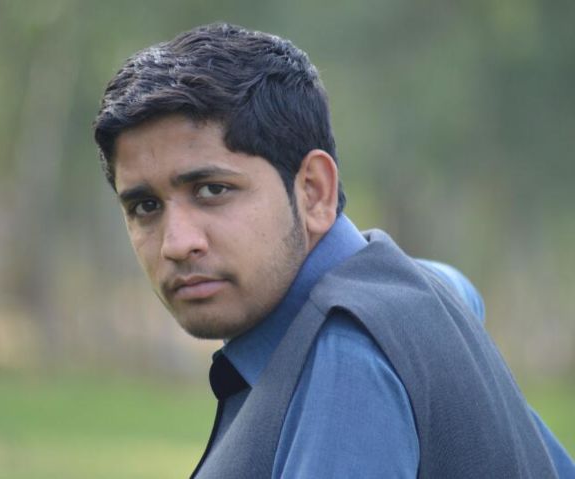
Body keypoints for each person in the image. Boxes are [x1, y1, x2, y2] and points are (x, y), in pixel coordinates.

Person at [93, 23, 575, 478]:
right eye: (145, 206)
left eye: (212, 190)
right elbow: (456, 284)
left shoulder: (348, 358)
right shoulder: (414, 296)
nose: (177, 243)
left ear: (313, 191)